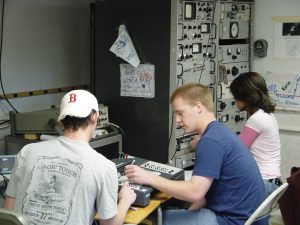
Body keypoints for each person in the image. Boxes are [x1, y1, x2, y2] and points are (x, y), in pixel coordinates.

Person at [125, 83, 267, 225]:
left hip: (231, 220)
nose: (177, 120)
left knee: (150, 220)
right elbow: (206, 192)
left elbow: (195, 192)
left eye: (180, 113)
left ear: (198, 107)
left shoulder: (210, 141)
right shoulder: (219, 132)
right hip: (249, 217)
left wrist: (148, 177)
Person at [4, 90, 136, 225]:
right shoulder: (104, 167)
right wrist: (125, 200)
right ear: (95, 117)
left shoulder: (27, 152)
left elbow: (9, 212)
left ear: (61, 120)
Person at [229, 72, 282, 196]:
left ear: (247, 96)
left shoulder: (256, 119)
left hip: (263, 181)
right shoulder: (267, 114)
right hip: (272, 181)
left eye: (236, 96)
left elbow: (236, 150)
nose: (234, 100)